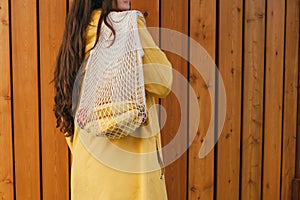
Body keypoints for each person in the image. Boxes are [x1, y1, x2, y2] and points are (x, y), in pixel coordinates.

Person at [54, 0, 173, 199]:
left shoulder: (76, 36)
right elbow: (163, 82)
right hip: (132, 178)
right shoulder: (128, 26)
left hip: (87, 173)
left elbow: (69, 116)